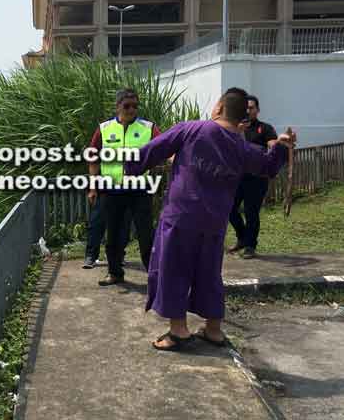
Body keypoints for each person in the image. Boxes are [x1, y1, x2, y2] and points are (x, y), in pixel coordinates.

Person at [123, 88, 295, 351]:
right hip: (214, 222)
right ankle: (213, 329)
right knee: (209, 274)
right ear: (240, 118)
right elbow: (268, 166)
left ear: (218, 107)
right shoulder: (241, 146)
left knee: (173, 270)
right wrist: (282, 146)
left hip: (181, 218)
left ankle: (178, 331)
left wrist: (129, 165)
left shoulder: (191, 129)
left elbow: (151, 152)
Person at [85, 88, 161, 282]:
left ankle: (155, 274)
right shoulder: (104, 128)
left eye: (135, 106)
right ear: (117, 106)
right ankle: (115, 273)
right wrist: (93, 187)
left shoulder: (148, 127)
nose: (131, 110)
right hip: (113, 191)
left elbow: (163, 148)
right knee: (114, 236)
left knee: (146, 235)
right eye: (127, 106)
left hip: (139, 191)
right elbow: (93, 159)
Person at [228, 95, 278, 258]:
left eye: (251, 108)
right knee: (230, 208)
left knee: (251, 212)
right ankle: (242, 238)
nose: (248, 110)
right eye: (246, 108)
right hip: (237, 177)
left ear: (257, 110)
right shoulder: (235, 128)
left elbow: (272, 145)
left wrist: (277, 144)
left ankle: (250, 245)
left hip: (257, 178)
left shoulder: (265, 128)